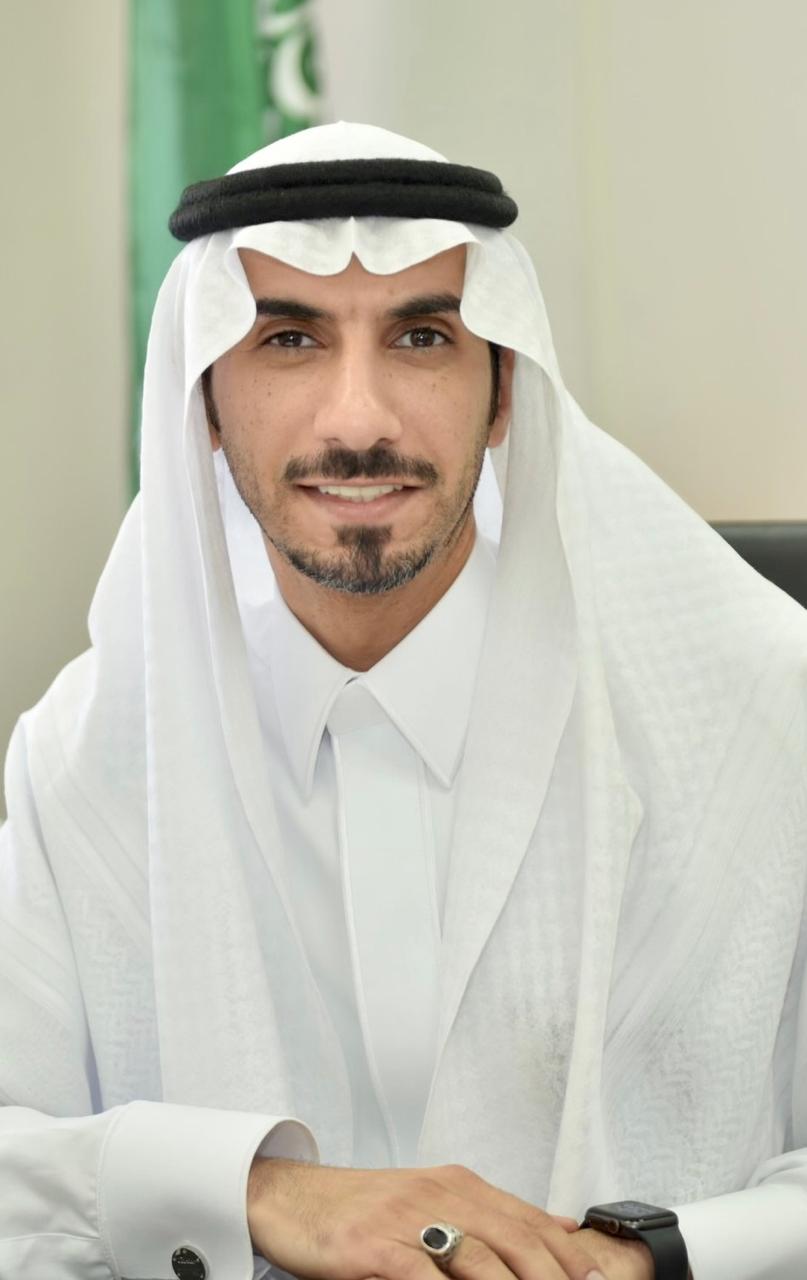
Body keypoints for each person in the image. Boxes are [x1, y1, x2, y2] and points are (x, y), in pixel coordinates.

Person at [0, 122, 805, 1280]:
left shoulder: (756, 711)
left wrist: (636, 1262)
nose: (358, 420)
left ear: (503, 390)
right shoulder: (88, 755)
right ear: (207, 402)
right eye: (288, 339)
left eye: (422, 337)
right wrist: (263, 1191)